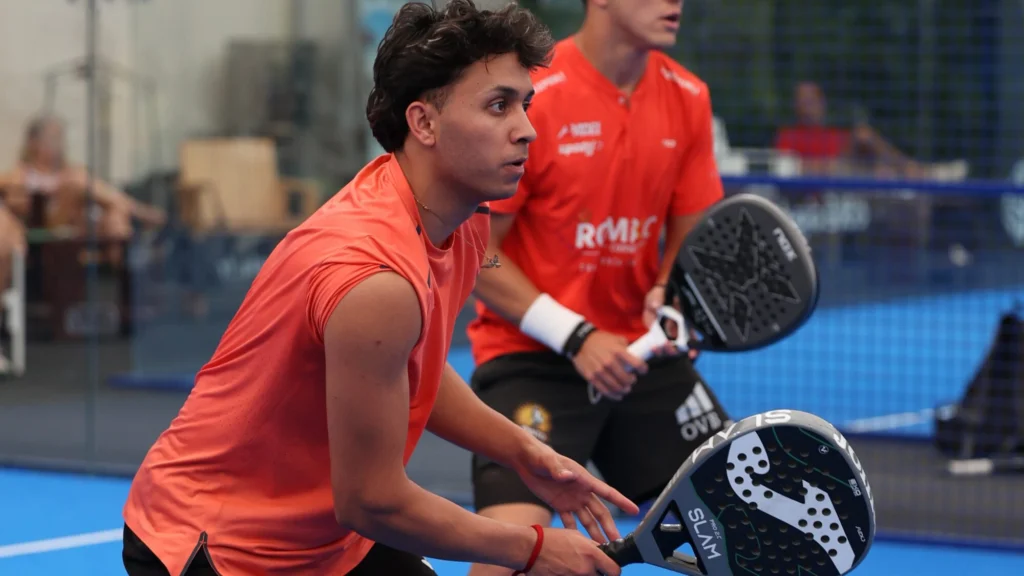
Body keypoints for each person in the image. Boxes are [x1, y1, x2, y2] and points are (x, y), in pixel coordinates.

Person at [120, 2, 635, 576]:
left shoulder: (461, 219)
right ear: (424, 123)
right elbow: (372, 501)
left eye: (525, 104)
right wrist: (533, 547)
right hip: (215, 543)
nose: (527, 129)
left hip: (328, 536)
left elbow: (413, 366)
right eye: (498, 105)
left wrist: (523, 451)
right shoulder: (375, 280)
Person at [465, 1, 734, 573]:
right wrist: (576, 335)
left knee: (742, 526)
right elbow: (476, 255)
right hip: (531, 358)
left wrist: (668, 291)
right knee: (505, 556)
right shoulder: (531, 96)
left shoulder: (689, 96)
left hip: (641, 360)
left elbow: (690, 240)